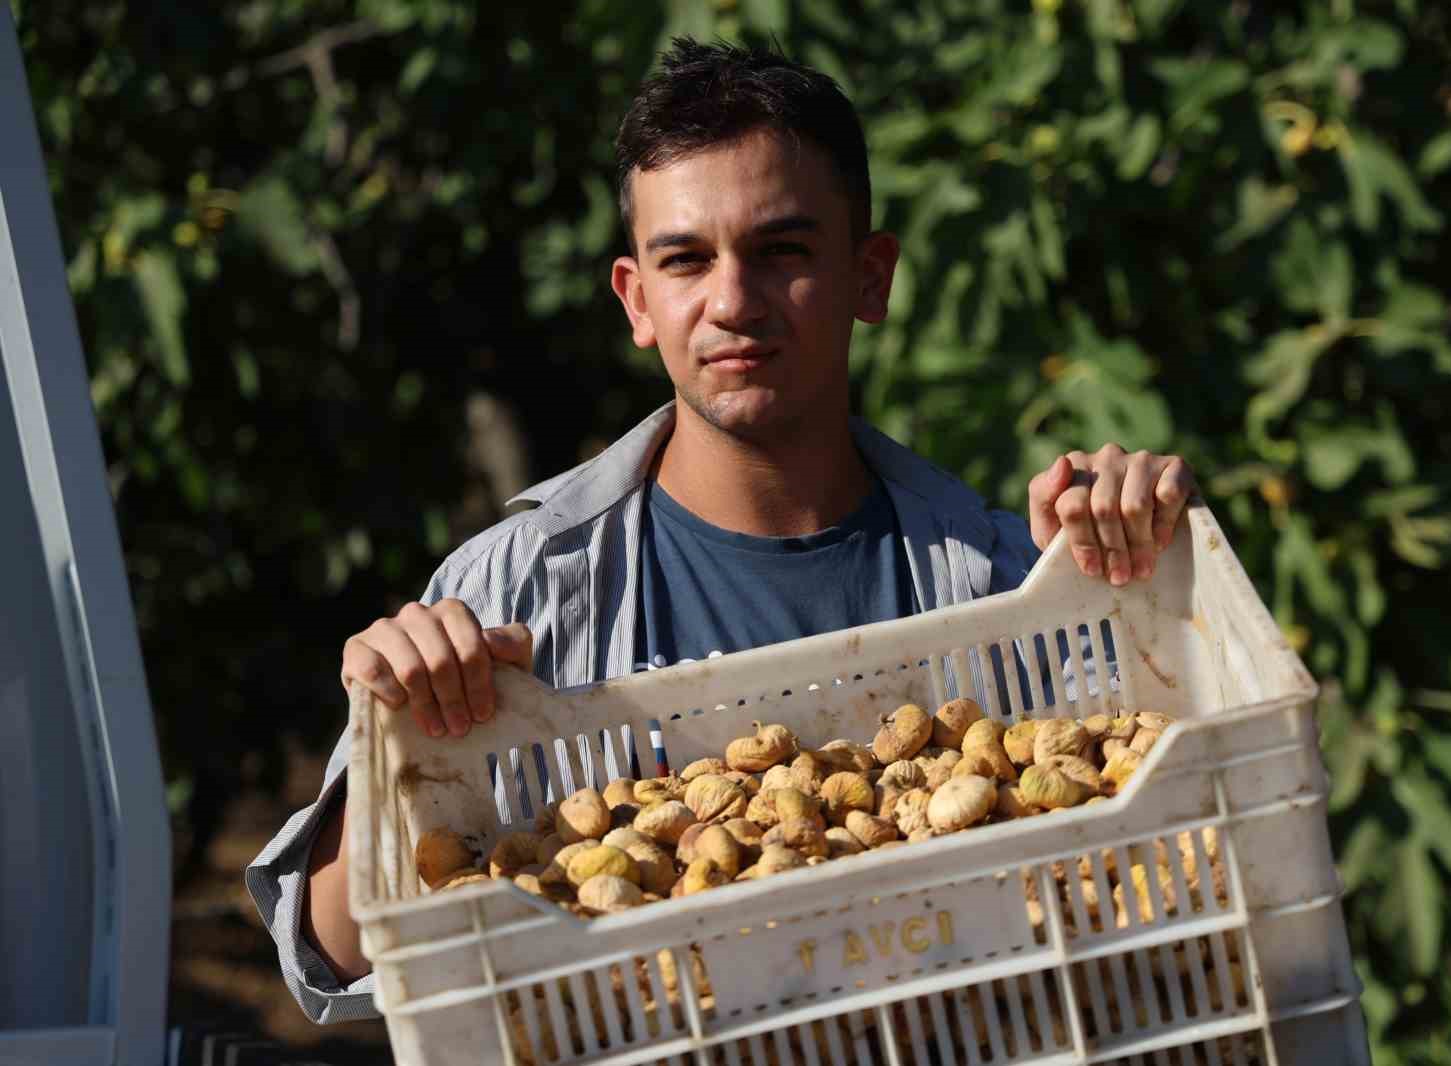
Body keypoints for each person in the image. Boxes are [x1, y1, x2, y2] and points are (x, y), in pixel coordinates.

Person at [247, 36, 1196, 1023]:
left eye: (781, 252)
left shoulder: (1005, 578)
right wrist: (399, 736)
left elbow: (1162, 849)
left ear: (870, 278)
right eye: (686, 260)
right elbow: (326, 953)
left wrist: (1124, 577)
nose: (732, 302)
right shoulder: (514, 589)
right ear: (637, 300)